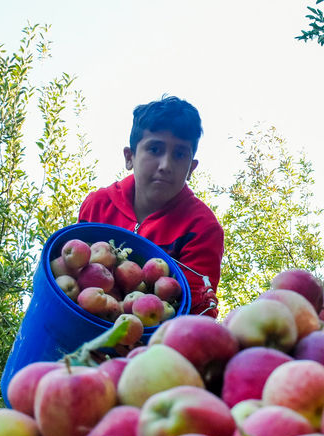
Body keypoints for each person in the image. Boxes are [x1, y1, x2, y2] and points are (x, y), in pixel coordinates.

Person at [78, 95, 224, 317]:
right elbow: (73, 272)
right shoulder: (98, 205)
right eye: (155, 149)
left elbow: (195, 314)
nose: (166, 165)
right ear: (130, 157)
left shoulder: (201, 228)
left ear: (191, 168)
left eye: (179, 154)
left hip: (151, 345)